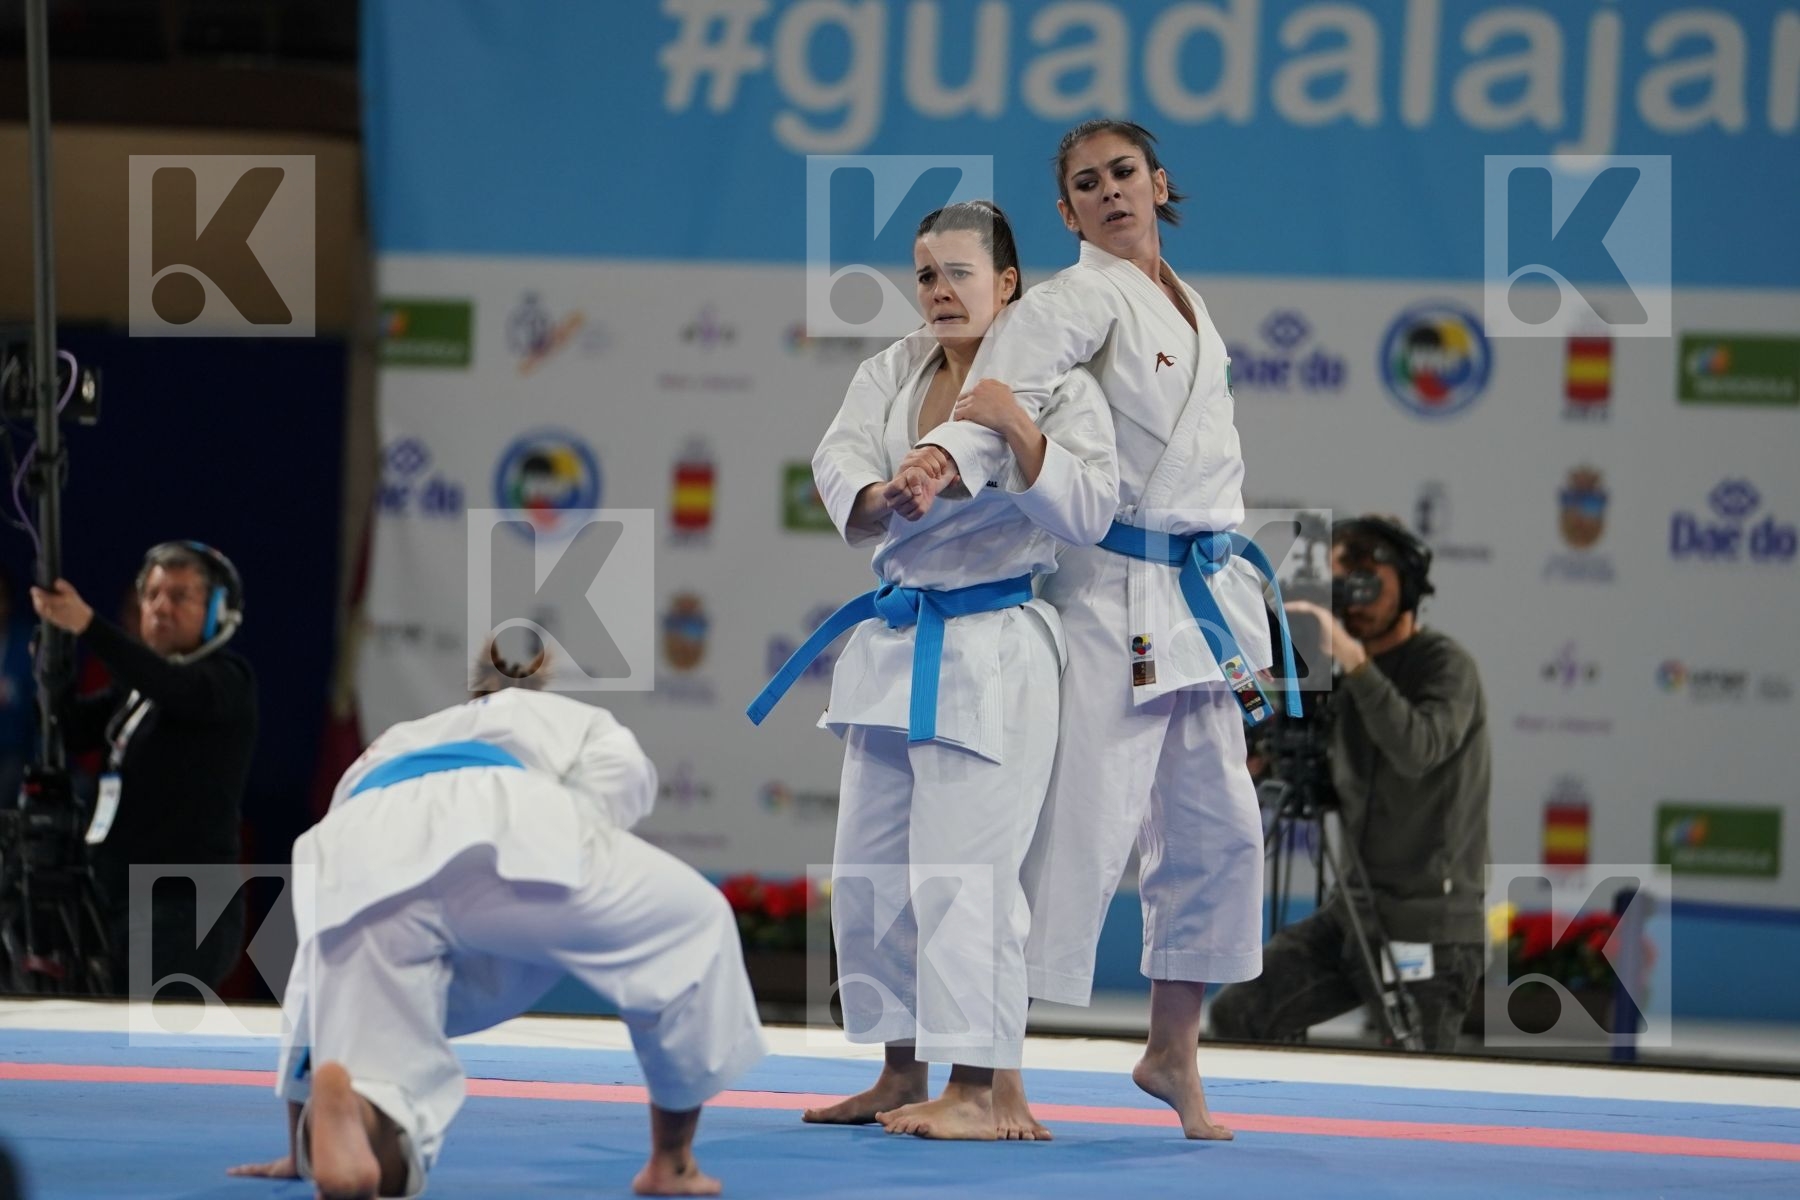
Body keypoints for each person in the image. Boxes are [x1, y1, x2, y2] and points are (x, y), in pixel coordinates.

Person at [898, 119, 1301, 1139]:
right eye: (1087, 182)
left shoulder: (1188, 303)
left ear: (1160, 182)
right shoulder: (1075, 299)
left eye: (1125, 172)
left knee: (1219, 835)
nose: (1111, 190)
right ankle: (986, 1076)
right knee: (1068, 844)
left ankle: (1173, 1051)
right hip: (1111, 597)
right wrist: (941, 464)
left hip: (1200, 606)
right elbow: (1001, 395)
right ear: (1067, 210)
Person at [749, 200, 1117, 1140]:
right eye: (924, 275)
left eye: (959, 273)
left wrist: (1007, 441)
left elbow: (1092, 505)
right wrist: (877, 492)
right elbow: (836, 454)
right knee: (869, 874)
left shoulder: (1055, 382)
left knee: (968, 877)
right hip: (895, 639)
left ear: (1007, 284)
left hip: (993, 646)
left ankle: (984, 1086)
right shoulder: (891, 368)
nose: (939, 291)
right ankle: (895, 1068)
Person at [229, 649, 766, 1198]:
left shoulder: (399, 738)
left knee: (379, 1074)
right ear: (539, 688)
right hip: (511, 827)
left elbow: (313, 983)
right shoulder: (572, 720)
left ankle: (350, 1124)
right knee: (690, 924)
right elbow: (614, 791)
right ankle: (671, 1163)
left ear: (472, 694)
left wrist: (296, 1150)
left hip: (364, 850)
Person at [1211, 515, 1490, 1052]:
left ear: (1407, 586)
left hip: (1430, 925)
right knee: (1240, 1012)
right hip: (1352, 914)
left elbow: (1417, 750)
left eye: (1366, 577)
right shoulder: (1339, 678)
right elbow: (1314, 769)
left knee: (1416, 1070)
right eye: (1341, 583)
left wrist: (1355, 660)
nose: (1353, 598)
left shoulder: (1445, 666)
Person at [31, 542, 256, 994]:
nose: (159, 608)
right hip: (121, 901)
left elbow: (172, 686)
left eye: (178, 596)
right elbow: (73, 730)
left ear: (218, 611)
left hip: (185, 908)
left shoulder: (227, 681)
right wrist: (53, 660)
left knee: (152, 1050)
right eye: (151, 596)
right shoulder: (135, 694)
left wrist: (89, 626)